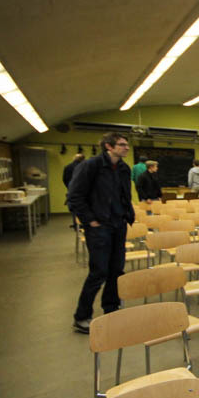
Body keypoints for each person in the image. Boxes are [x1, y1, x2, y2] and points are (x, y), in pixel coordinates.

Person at [67, 132, 135, 334]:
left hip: (118, 224)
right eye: (122, 144)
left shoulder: (123, 168)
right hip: (99, 226)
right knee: (99, 272)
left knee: (116, 270)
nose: (126, 148)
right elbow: (74, 196)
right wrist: (90, 220)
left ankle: (111, 309)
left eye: (126, 144)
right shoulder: (91, 166)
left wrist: (126, 215)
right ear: (109, 146)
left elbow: (124, 195)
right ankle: (82, 316)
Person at [62, 153, 85, 229]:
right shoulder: (85, 167)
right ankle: (80, 224)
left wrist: (70, 187)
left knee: (74, 208)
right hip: (82, 190)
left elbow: (64, 179)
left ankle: (76, 224)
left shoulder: (68, 167)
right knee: (82, 207)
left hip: (71, 189)